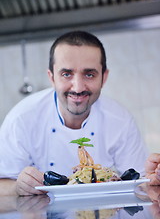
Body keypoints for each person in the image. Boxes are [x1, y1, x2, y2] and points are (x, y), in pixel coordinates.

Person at [0, 31, 158, 196]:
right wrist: (17, 187)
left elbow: (140, 184)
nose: (78, 87)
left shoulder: (120, 121)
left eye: (89, 74)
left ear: (104, 78)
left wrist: (151, 182)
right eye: (66, 74)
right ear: (52, 77)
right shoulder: (21, 119)